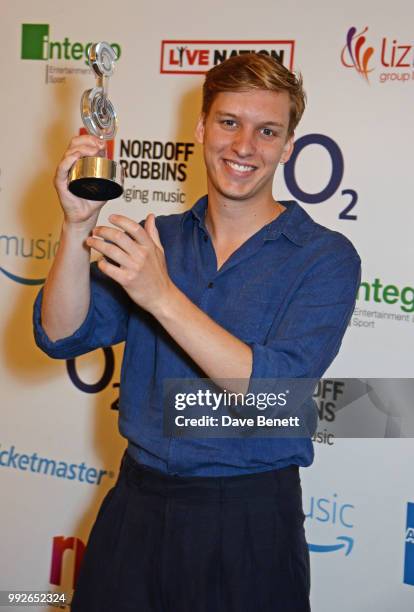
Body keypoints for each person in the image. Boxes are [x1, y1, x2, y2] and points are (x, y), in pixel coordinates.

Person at [33, 53, 361, 611]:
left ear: (288, 146)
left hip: (248, 523)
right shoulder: (156, 237)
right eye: (229, 122)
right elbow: (60, 334)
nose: (243, 146)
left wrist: (161, 296)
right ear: (201, 128)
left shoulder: (324, 257)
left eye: (267, 131)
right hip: (135, 507)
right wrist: (77, 224)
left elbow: (272, 397)